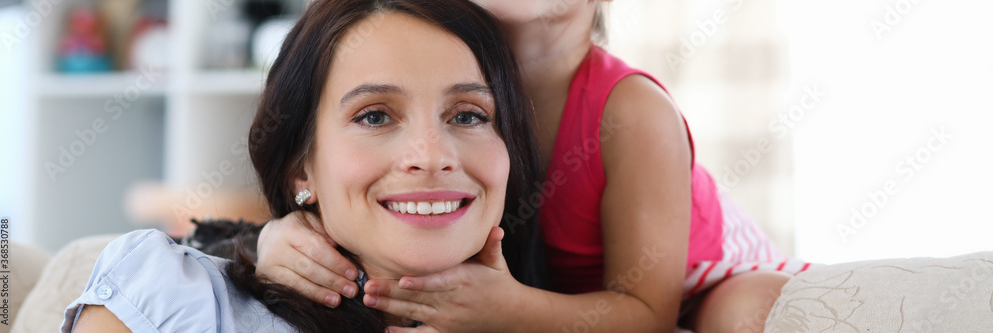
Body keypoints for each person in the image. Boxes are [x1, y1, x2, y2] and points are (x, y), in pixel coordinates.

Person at [256, 1, 814, 332]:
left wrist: (511, 308)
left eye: (469, 115)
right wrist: (283, 236)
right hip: (565, 294)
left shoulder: (633, 111)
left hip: (700, 286)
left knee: (744, 311)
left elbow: (647, 313)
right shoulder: (428, 56)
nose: (430, 154)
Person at [61, 1, 546, 332]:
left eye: (468, 115)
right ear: (301, 169)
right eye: (374, 115)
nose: (432, 156)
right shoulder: (173, 297)